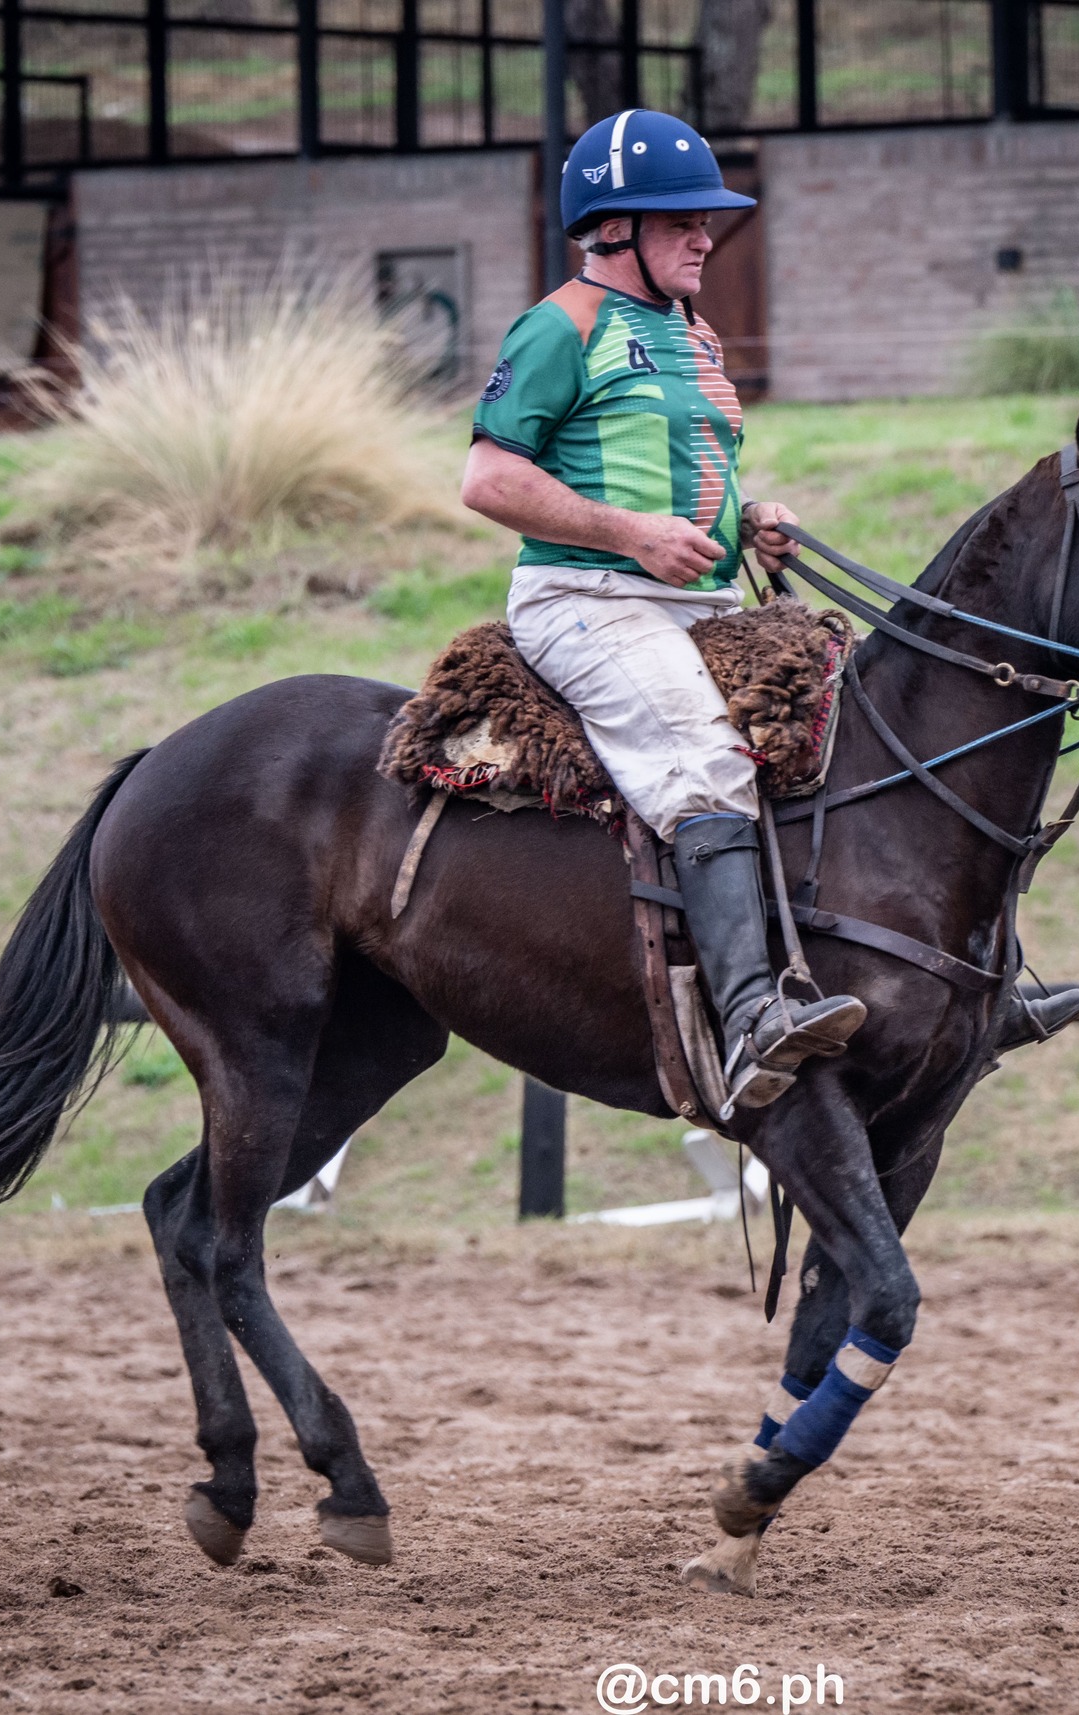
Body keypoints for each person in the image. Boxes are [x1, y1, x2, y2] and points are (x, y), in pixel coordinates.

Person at [460, 108, 865, 1116]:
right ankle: (746, 1020)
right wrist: (628, 533)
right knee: (705, 756)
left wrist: (750, 517)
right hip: (585, 601)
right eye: (682, 220)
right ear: (615, 227)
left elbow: (691, 474)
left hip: (699, 602)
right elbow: (486, 479)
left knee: (843, 723)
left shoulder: (692, 332)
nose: (705, 236)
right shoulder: (559, 327)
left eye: (705, 220)